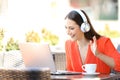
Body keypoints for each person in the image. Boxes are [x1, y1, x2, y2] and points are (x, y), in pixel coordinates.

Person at [64, 9, 120, 74]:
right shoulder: (68, 44)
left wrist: (99, 54)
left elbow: (119, 65)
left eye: (71, 28)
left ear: (84, 27)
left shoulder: (104, 42)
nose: (67, 32)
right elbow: (69, 71)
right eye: (66, 28)